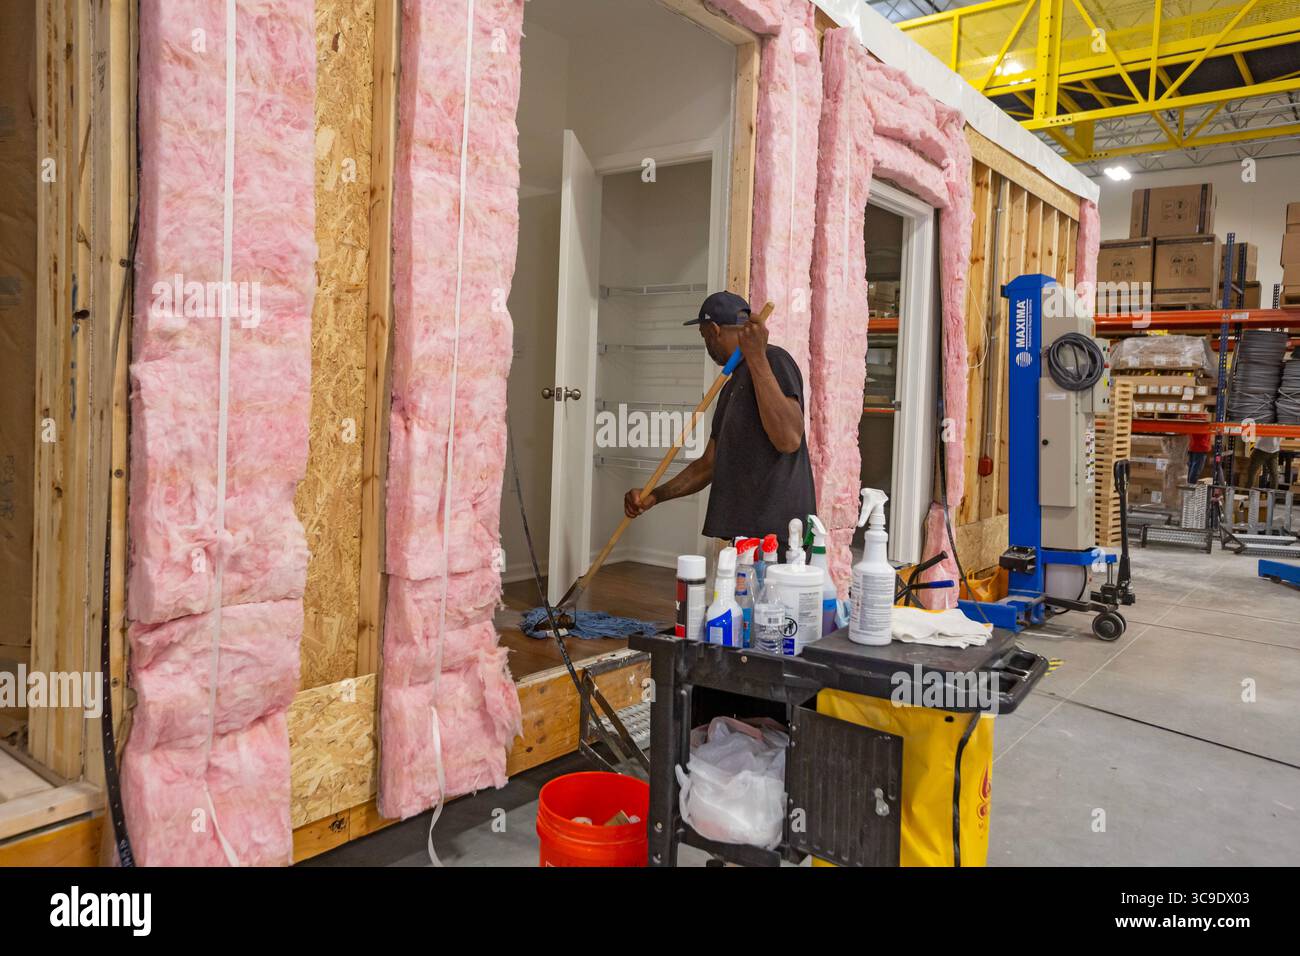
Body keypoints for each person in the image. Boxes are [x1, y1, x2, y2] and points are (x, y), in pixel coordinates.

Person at [623, 291, 816, 544]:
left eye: (704, 336)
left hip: (780, 535)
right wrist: (655, 496)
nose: (707, 346)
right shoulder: (733, 384)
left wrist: (757, 356)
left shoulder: (773, 360)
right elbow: (709, 465)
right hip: (748, 534)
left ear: (714, 330)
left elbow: (789, 439)